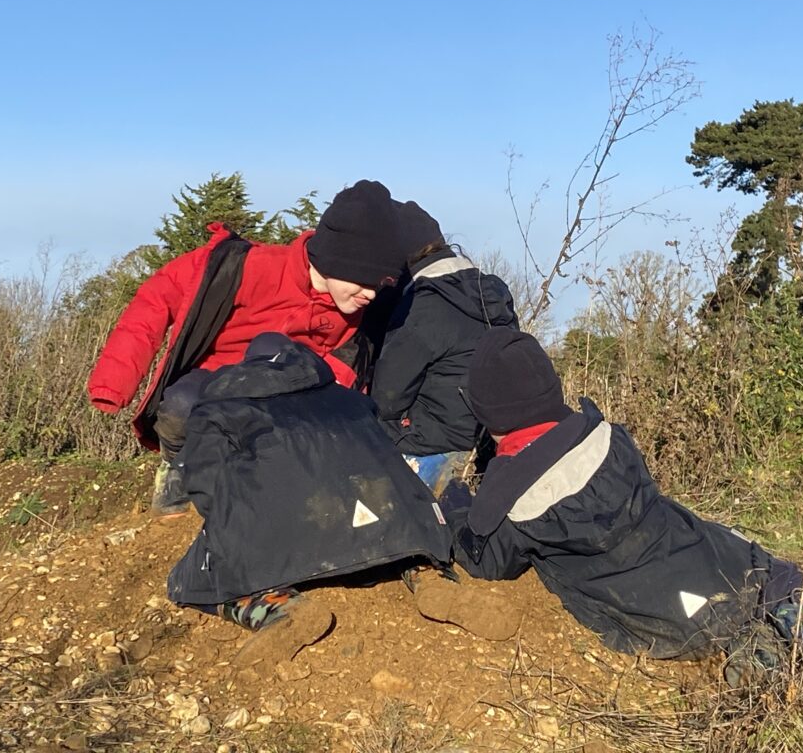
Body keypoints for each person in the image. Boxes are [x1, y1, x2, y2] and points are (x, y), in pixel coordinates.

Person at [446, 326, 803, 686]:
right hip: (732, 563)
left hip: (674, 619)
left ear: (491, 414)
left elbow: (486, 559)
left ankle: (767, 665)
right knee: (778, 587)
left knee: (732, 637)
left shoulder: (517, 503)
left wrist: (457, 502)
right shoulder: (610, 439)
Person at [166, 333, 519, 674]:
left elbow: (206, 488)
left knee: (195, 578)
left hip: (291, 532)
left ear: (248, 365)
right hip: (394, 521)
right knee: (407, 538)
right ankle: (430, 578)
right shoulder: (346, 397)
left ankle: (281, 609)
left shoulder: (220, 406)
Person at [87, 180, 408, 516]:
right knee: (180, 407)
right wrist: (114, 382)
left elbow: (343, 365)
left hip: (285, 392)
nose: (371, 294)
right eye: (364, 280)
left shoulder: (353, 310)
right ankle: (177, 463)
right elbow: (158, 295)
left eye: (380, 284)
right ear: (334, 262)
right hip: (215, 378)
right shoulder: (251, 267)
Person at [370, 202, 518, 492]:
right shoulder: (489, 292)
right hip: (485, 440)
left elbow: (386, 399)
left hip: (430, 442)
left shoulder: (423, 306)